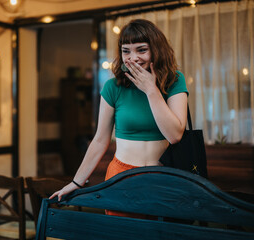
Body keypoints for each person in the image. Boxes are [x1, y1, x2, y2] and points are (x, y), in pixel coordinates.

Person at [50, 19, 188, 217]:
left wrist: (151, 90)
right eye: (126, 51)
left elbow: (175, 135)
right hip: (122, 176)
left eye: (142, 50)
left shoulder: (174, 80)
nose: (133, 58)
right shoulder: (113, 87)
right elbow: (99, 140)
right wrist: (76, 182)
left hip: (163, 177)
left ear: (157, 50)